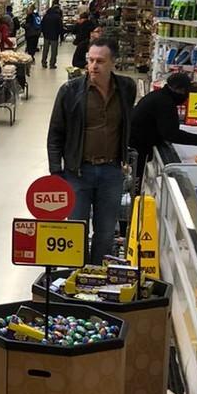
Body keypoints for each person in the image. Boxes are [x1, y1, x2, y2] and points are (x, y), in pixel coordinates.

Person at [47, 38, 137, 264]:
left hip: (112, 172)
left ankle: (97, 275)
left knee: (106, 232)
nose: (94, 66)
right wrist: (56, 172)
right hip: (78, 172)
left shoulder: (126, 88)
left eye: (100, 61)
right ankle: (75, 274)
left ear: (113, 62)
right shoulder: (70, 91)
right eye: (91, 60)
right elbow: (55, 133)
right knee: (76, 230)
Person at [130, 72, 197, 189]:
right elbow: (171, 134)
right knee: (135, 185)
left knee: (136, 181)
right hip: (137, 147)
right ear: (178, 90)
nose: (187, 96)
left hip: (136, 144)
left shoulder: (159, 96)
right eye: (186, 92)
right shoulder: (165, 103)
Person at [40, 2, 64, 69]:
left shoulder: (46, 16)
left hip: (46, 36)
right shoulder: (58, 17)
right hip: (54, 36)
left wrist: (43, 33)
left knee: (45, 50)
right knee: (54, 51)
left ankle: (44, 62)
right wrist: (61, 36)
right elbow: (60, 28)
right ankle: (52, 64)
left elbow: (42, 25)